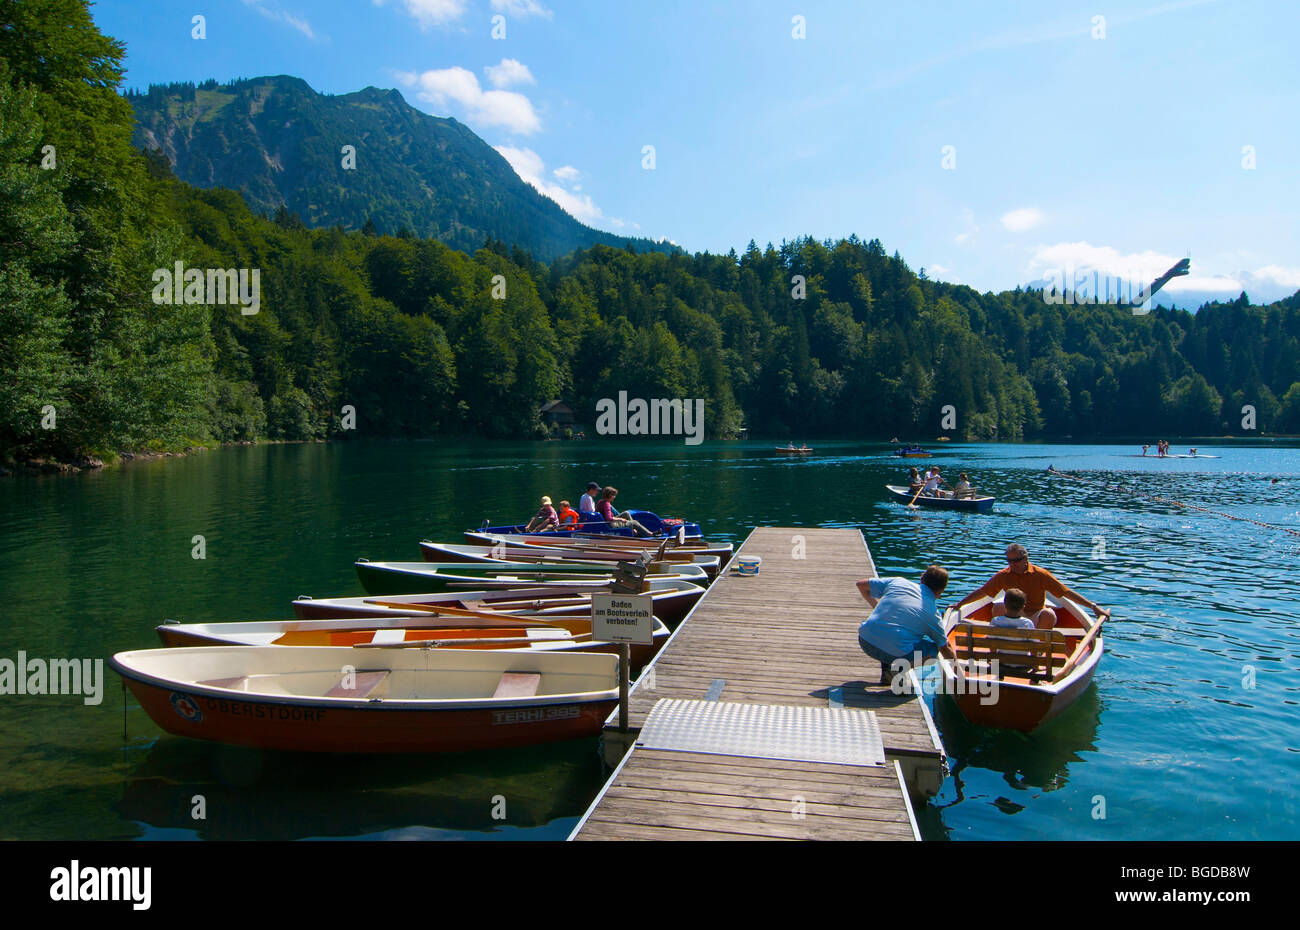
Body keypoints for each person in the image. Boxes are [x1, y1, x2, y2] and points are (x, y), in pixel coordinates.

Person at [950, 543, 1110, 630]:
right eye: (1009, 561)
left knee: (1049, 614)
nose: (1013, 564)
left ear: (1025, 558)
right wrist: (960, 604)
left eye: (1016, 560)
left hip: (1035, 614)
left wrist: (1093, 606)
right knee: (997, 608)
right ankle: (999, 646)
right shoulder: (1003, 575)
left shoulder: (1041, 575)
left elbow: (1065, 592)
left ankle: (1036, 649)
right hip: (1013, 613)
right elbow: (983, 591)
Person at [856, 566, 961, 686]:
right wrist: (958, 673)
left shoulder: (898, 582)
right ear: (941, 591)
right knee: (933, 650)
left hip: (865, 640)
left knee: (891, 631)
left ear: (922, 578)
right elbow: (944, 647)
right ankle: (897, 671)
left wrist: (876, 606)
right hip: (891, 651)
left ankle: (886, 675)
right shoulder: (932, 614)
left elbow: (861, 584)